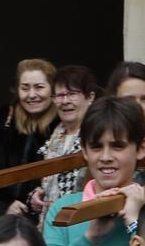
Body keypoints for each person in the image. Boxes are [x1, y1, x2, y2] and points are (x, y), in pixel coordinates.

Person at [43, 97, 145, 246]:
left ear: (141, 147)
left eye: (117, 146)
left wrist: (134, 222)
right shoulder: (64, 209)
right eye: (95, 147)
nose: (105, 157)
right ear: (84, 150)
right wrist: (91, 237)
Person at [0, 59, 59, 216]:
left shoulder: (61, 124)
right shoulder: (4, 118)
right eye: (25, 88)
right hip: (6, 215)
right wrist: (3, 205)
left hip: (45, 215)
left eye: (39, 87)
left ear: (52, 89)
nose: (31, 95)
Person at [34, 65, 101, 218]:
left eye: (72, 94)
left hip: (81, 217)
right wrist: (37, 195)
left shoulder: (96, 136)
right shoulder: (52, 134)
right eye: (59, 95)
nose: (65, 101)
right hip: (50, 220)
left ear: (90, 97)